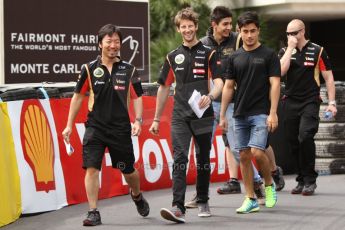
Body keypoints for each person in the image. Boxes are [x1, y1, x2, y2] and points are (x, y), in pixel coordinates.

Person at [184, 6, 284, 209]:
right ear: (214, 25)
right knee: (203, 150)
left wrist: (273, 112)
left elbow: (271, 82)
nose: (230, 28)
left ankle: (262, 184)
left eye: (232, 24)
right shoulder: (203, 45)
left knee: (248, 151)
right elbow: (203, 75)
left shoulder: (240, 40)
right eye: (225, 24)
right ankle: (202, 194)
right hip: (208, 103)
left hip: (240, 105)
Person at [62, 24, 149, 226]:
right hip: (95, 128)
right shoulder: (89, 69)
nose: (113, 45)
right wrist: (68, 125)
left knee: (128, 170)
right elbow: (77, 98)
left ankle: (136, 195)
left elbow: (137, 97)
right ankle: (93, 211)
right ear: (100, 43)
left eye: (116, 42)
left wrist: (138, 120)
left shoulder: (129, 69)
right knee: (91, 168)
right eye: (109, 41)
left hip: (120, 128)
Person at [149, 8, 223, 223]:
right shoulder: (172, 56)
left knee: (202, 159)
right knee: (180, 158)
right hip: (180, 116)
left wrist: (210, 95)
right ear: (179, 28)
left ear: (196, 26)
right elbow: (163, 88)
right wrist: (155, 118)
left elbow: (220, 83)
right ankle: (178, 206)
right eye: (183, 26)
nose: (188, 29)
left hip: (203, 116)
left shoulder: (209, 53)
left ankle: (203, 199)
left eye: (191, 26)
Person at [219, 11, 280, 214]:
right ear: (239, 32)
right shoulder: (234, 58)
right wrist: (222, 114)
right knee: (244, 155)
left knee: (256, 152)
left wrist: (273, 112)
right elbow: (228, 87)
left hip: (261, 112)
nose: (249, 35)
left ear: (258, 31)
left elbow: (275, 84)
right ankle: (250, 198)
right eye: (245, 31)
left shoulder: (269, 55)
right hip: (239, 113)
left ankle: (269, 184)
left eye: (253, 31)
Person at [279, 19, 337, 195]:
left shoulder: (318, 50)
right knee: (292, 142)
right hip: (290, 101)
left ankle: (310, 180)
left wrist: (332, 103)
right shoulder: (284, 51)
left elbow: (329, 78)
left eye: (294, 33)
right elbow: (280, 72)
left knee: (305, 136)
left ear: (303, 32)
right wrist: (290, 48)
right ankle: (301, 179)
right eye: (288, 33)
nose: (291, 36)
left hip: (310, 101)